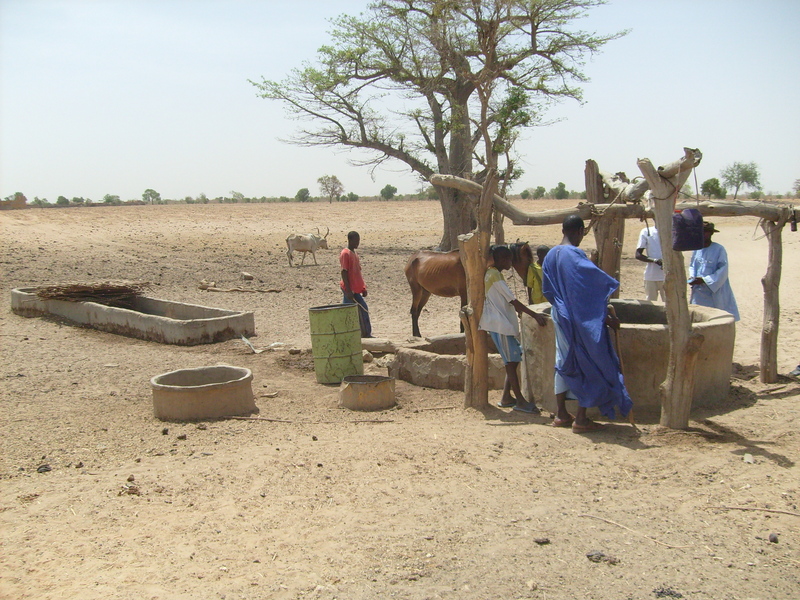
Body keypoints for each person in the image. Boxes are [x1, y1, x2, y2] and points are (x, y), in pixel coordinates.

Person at [542, 215, 633, 433]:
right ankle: (581, 419)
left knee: (563, 361)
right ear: (580, 231)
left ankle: (562, 413)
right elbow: (587, 289)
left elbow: (548, 290)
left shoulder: (550, 255)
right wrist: (604, 315)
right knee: (587, 361)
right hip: (576, 318)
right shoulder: (574, 254)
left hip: (559, 314)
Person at [479, 245, 547, 414]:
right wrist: (534, 315)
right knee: (510, 362)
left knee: (514, 358)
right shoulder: (494, 276)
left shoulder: (494, 274)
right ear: (501, 260)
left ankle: (507, 397)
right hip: (499, 324)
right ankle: (520, 402)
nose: (510, 262)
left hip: (503, 323)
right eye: (508, 259)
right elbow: (513, 300)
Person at [688, 221, 740, 321]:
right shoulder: (697, 249)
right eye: (701, 232)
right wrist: (692, 277)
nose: (703, 234)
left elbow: (723, 270)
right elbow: (692, 266)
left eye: (706, 232)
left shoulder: (719, 249)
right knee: (698, 316)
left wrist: (705, 280)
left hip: (715, 290)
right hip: (699, 292)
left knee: (717, 316)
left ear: (711, 233)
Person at [340, 231, 372, 337]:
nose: (358, 243)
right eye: (356, 241)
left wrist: (363, 288)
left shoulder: (355, 254)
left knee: (363, 309)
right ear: (350, 240)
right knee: (348, 313)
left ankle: (366, 334)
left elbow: (358, 272)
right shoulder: (345, 253)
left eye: (358, 240)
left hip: (356, 289)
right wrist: (348, 290)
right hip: (349, 290)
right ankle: (347, 334)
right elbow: (344, 272)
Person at [635, 223, 665, 301]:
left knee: (670, 304)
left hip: (668, 276)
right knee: (650, 304)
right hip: (651, 275)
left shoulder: (671, 231)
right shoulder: (647, 231)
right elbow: (638, 255)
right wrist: (655, 260)